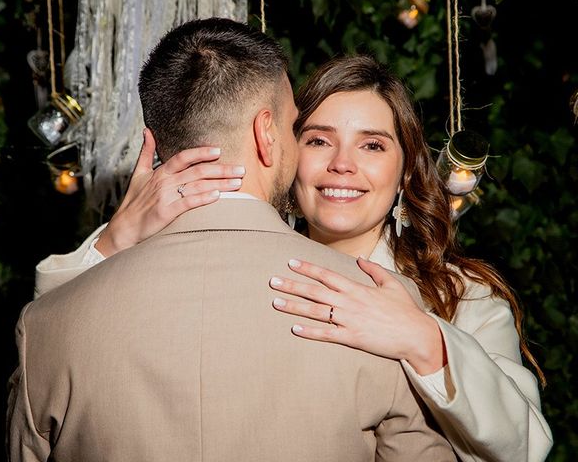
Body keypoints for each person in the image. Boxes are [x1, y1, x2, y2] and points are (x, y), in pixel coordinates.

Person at [35, 53, 553, 461]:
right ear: (280, 148)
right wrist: (115, 241)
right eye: (319, 139)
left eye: (372, 146)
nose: (343, 165)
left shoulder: (461, 294)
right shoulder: (220, 267)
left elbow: (526, 447)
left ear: (405, 171)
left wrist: (423, 340)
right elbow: (52, 350)